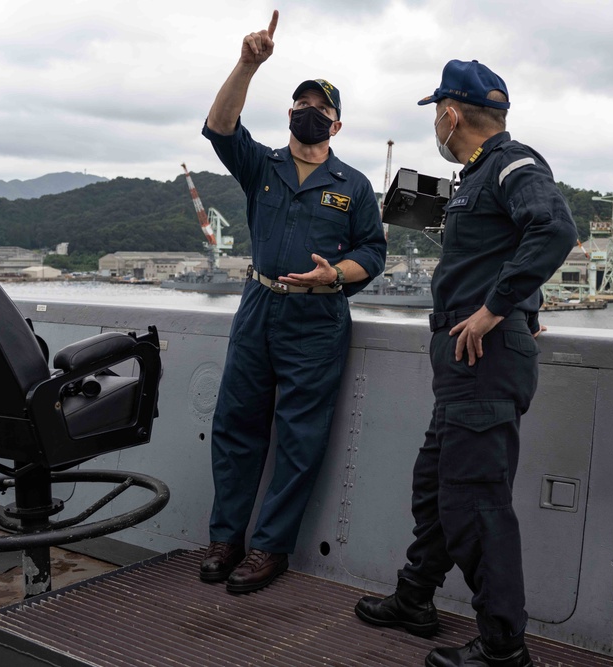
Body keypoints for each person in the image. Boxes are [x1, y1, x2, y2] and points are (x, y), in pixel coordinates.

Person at [354, 59, 578, 667]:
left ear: (450, 114)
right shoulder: (475, 177)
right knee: (435, 487)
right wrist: (523, 307)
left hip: (484, 361)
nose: (435, 124)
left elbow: (554, 229)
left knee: (475, 501)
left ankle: (504, 647)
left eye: (436, 114)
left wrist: (498, 309)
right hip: (461, 366)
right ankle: (415, 597)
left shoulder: (512, 164)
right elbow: (503, 250)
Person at [198, 10, 386, 594]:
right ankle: (226, 538)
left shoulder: (353, 184)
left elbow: (373, 252)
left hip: (318, 318)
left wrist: (336, 276)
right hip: (259, 305)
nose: (310, 113)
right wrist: (247, 63)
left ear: (336, 124)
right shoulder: (262, 166)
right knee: (236, 425)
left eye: (321, 109)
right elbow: (220, 126)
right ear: (290, 115)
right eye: (301, 105)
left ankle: (269, 548)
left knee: (300, 437)